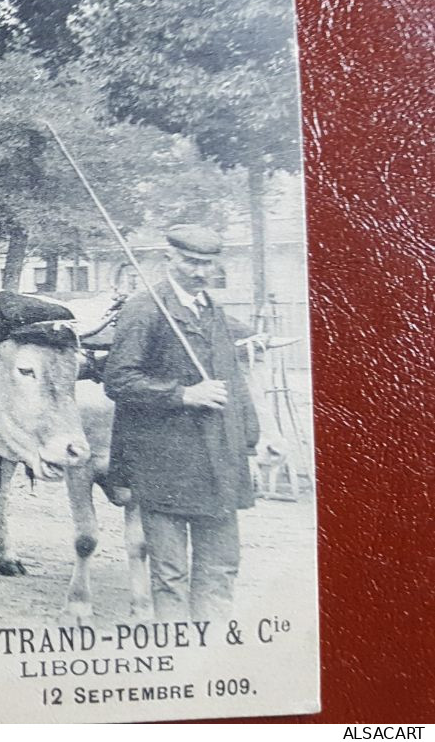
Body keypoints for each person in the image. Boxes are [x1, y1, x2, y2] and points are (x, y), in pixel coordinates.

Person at [105, 224, 265, 622]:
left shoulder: (212, 310)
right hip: (165, 466)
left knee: (220, 569)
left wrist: (249, 445)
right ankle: (178, 658)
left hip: (219, 464)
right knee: (170, 575)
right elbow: (119, 380)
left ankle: (210, 654)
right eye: (191, 262)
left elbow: (235, 382)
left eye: (207, 264)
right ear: (169, 259)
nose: (199, 272)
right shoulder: (144, 309)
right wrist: (182, 394)